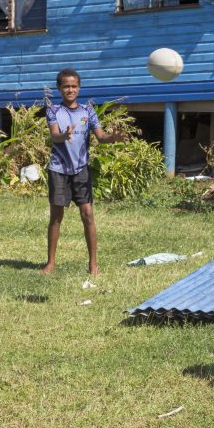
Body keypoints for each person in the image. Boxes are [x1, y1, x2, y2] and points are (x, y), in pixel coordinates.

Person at [41, 68, 126, 276]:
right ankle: (51, 262)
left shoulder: (88, 112)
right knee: (56, 216)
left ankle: (93, 264)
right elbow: (54, 137)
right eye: (66, 86)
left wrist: (112, 138)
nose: (70, 89)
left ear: (79, 88)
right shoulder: (53, 111)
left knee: (87, 214)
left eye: (74, 86)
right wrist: (65, 134)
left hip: (81, 170)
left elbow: (100, 136)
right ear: (59, 88)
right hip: (58, 169)